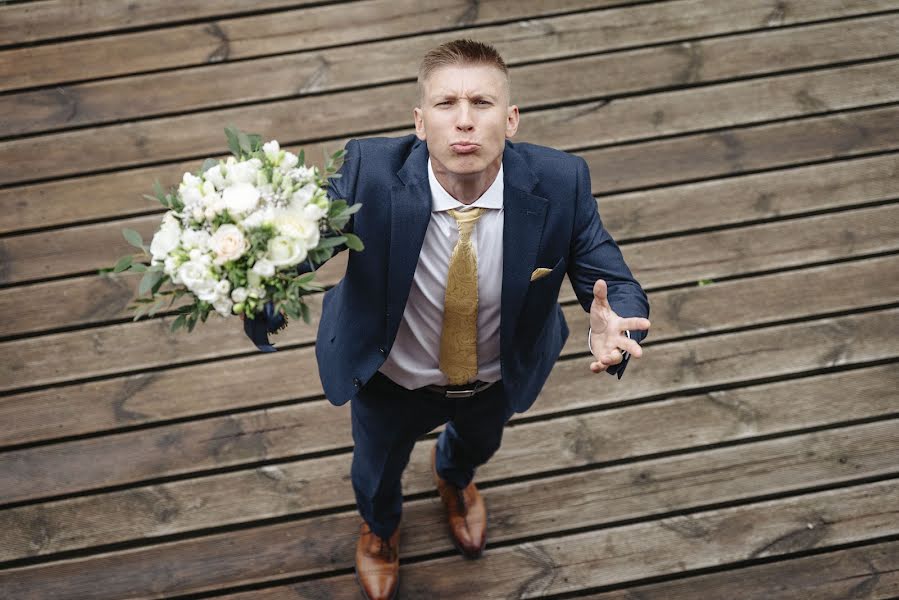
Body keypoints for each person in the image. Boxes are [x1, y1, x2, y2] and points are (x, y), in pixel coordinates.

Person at [249, 39, 650, 600]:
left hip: (495, 375)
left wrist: (616, 322)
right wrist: (250, 276)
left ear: (510, 120)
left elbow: (611, 276)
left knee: (477, 444)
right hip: (392, 377)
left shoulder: (562, 183)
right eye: (446, 105)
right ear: (419, 121)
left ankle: (455, 479)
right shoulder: (367, 173)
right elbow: (300, 243)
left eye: (482, 104)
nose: (465, 122)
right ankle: (381, 531)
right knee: (376, 471)